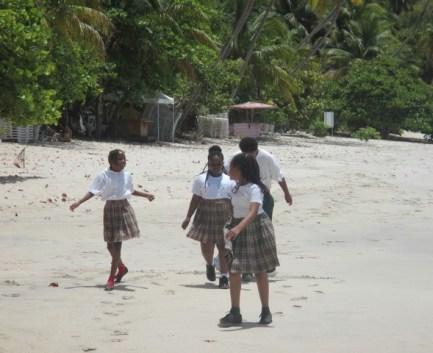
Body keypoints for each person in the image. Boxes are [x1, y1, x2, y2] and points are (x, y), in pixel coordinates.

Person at [70, 149, 155, 291]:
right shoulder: (103, 176)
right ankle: (121, 268)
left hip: (123, 209)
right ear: (111, 161)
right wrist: (78, 202)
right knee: (110, 245)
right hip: (110, 210)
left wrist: (146, 195)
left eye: (124, 159)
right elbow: (93, 191)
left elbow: (130, 190)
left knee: (116, 247)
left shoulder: (127, 175)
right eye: (120, 159)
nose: (123, 162)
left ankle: (111, 279)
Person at [220, 153, 279, 326]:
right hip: (238, 227)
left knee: (259, 270)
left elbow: (253, 212)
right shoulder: (234, 186)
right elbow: (231, 208)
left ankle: (266, 310)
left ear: (241, 170)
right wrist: (230, 226)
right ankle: (235, 311)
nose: (228, 169)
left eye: (231, 167)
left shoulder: (255, 188)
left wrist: (237, 228)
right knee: (234, 270)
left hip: (256, 227)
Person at [181, 146, 233, 289]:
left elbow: (235, 199)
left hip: (224, 215)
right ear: (208, 163)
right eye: (212, 164)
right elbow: (196, 198)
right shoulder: (200, 180)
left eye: (218, 164)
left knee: (224, 248)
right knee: (206, 246)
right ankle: (209, 265)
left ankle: (224, 277)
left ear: (223, 163)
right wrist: (188, 217)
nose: (216, 167)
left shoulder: (230, 180)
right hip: (205, 213)